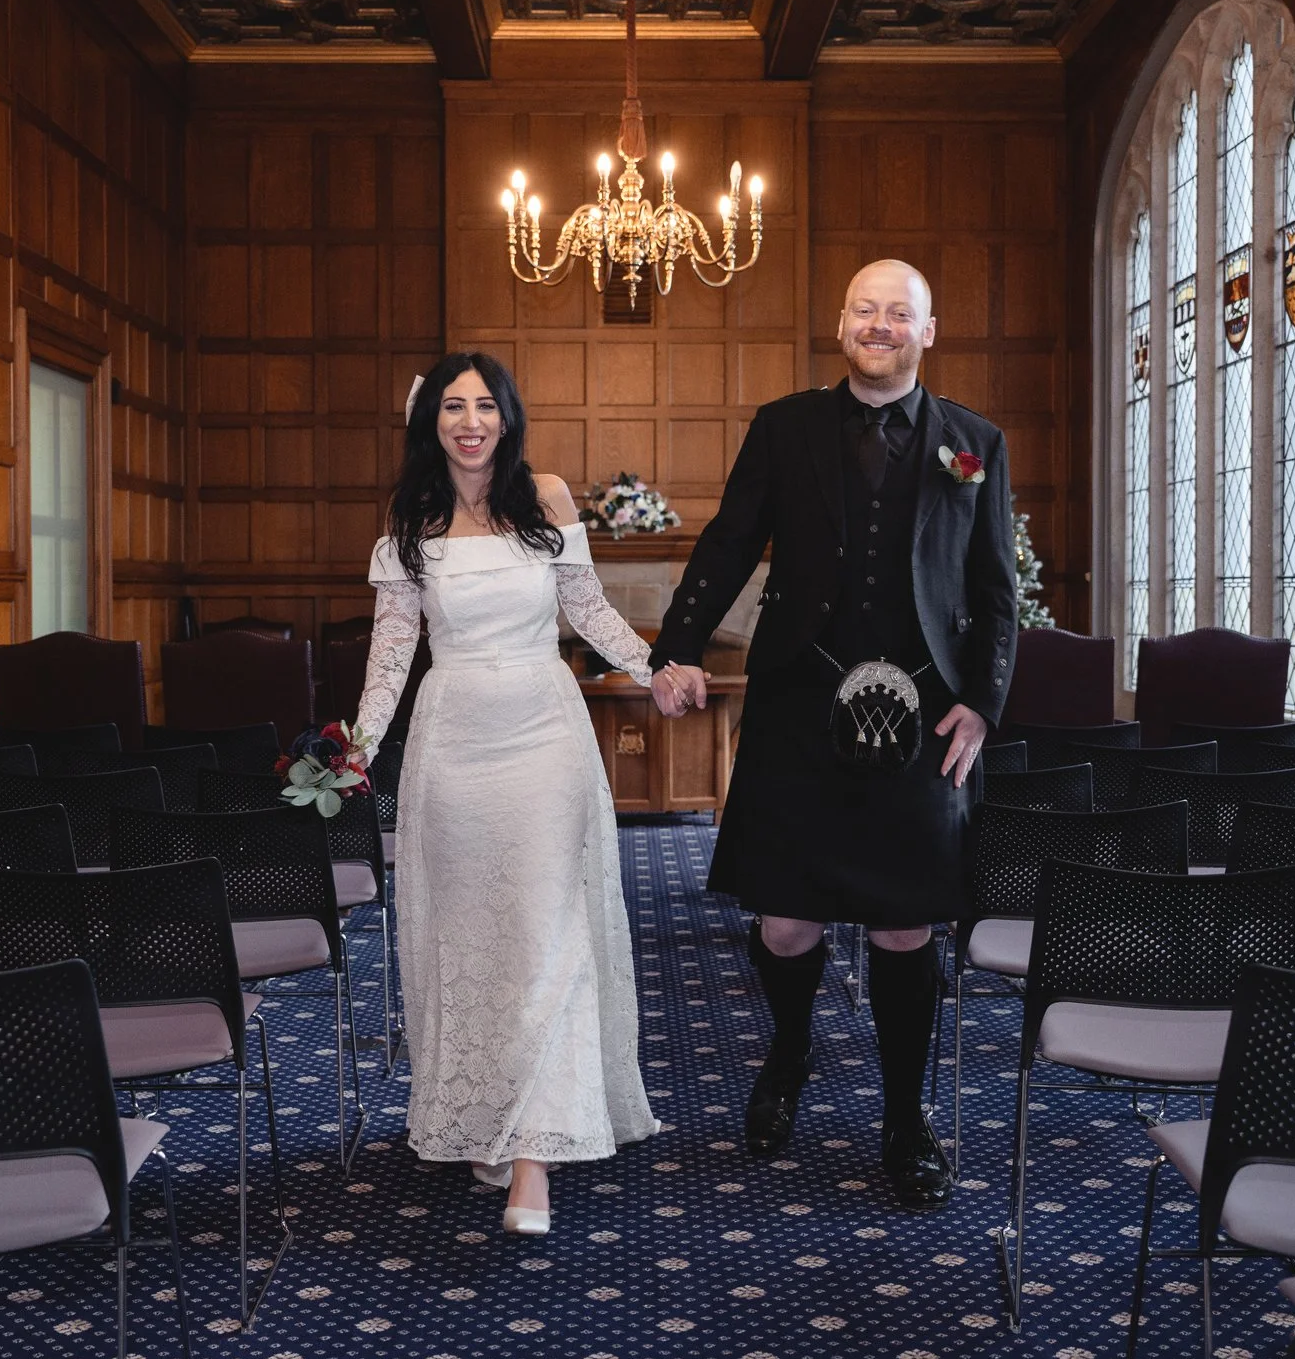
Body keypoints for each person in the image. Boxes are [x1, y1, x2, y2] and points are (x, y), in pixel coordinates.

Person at [648, 259, 1016, 1210]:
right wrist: (676, 646)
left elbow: (994, 592)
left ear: (929, 331)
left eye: (900, 313)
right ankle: (793, 1045)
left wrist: (984, 701)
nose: (881, 324)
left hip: (927, 716)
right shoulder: (784, 427)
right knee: (783, 918)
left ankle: (905, 1115)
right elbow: (731, 539)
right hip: (800, 705)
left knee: (904, 926)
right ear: (840, 321)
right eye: (865, 309)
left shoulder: (975, 442)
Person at [353, 351, 660, 1236]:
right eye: (454, 406)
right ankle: (493, 1113)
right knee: (474, 941)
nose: (471, 420)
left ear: (508, 415)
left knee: (546, 930)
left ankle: (534, 1156)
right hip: (453, 744)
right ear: (431, 423)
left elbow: (590, 611)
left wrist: (655, 667)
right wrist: (358, 745)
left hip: (543, 738)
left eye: (485, 404)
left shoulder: (549, 498)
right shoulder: (410, 515)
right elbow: (391, 649)